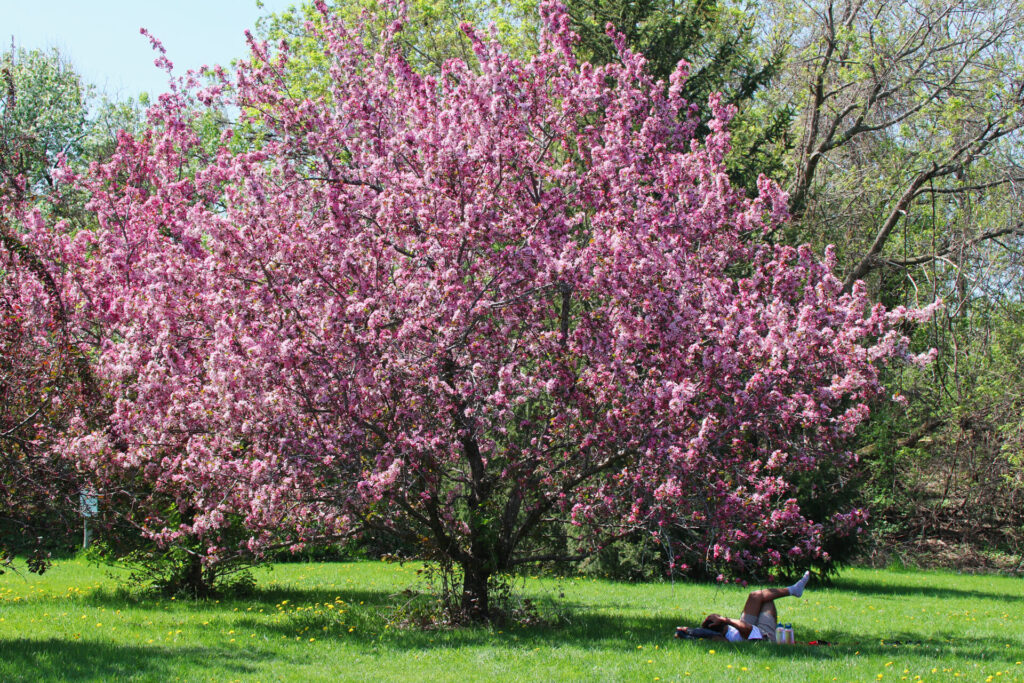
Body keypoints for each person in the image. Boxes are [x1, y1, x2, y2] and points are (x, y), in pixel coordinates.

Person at [675, 571, 811, 643]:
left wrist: (687, 631)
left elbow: (697, 633)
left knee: (755, 596)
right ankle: (794, 590)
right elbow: (748, 629)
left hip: (743, 625)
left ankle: (793, 590)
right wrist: (724, 619)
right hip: (764, 636)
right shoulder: (733, 636)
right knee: (767, 601)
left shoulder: (719, 632)